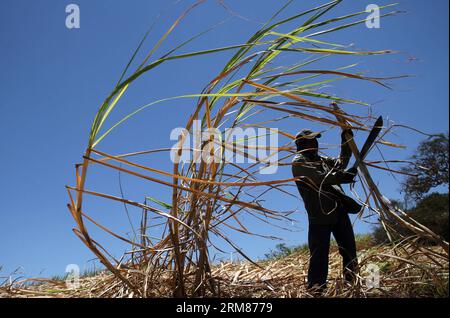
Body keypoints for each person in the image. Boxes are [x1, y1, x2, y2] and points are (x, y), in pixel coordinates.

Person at [291, 128, 362, 295]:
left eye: (315, 140)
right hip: (319, 216)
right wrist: (343, 176)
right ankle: (317, 291)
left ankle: (352, 287)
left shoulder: (321, 159)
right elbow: (321, 179)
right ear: (301, 144)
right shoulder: (299, 162)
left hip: (339, 211)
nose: (315, 143)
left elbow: (341, 163)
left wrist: (346, 142)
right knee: (319, 256)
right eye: (310, 140)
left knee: (349, 251)